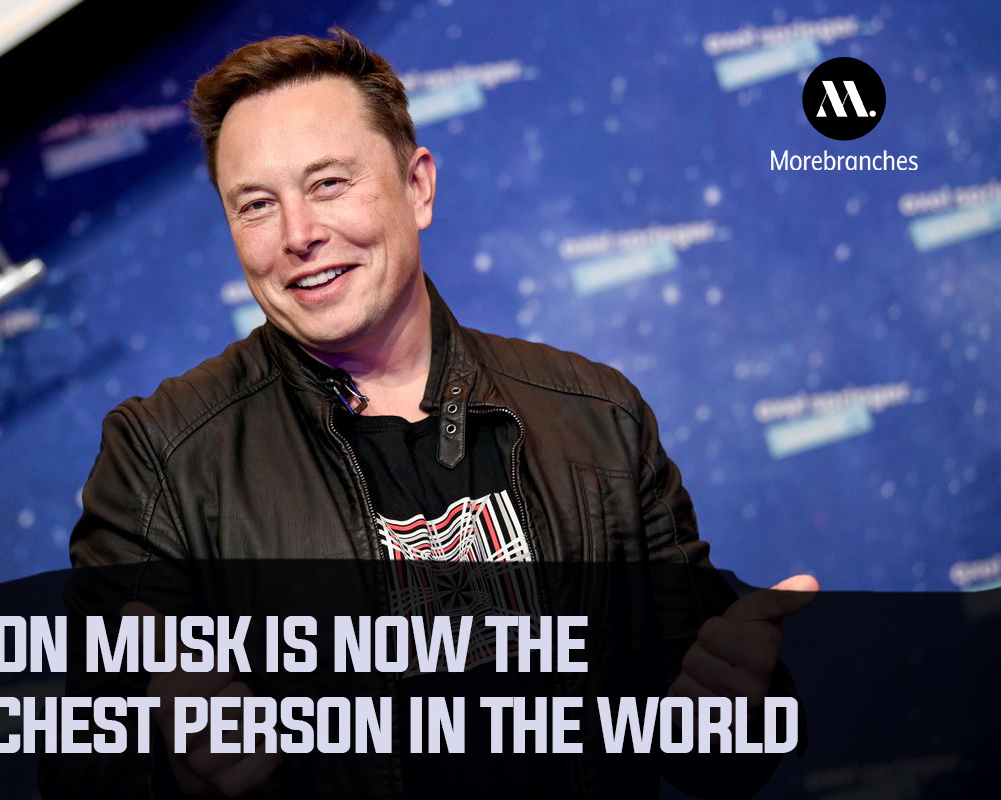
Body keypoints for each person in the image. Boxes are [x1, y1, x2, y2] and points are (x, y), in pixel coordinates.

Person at [42, 28, 817, 800]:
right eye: (256, 205)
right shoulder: (162, 458)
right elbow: (85, 770)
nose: (299, 235)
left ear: (417, 187)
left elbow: (711, 750)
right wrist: (182, 775)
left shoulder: (596, 415)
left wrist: (735, 713)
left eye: (328, 183)